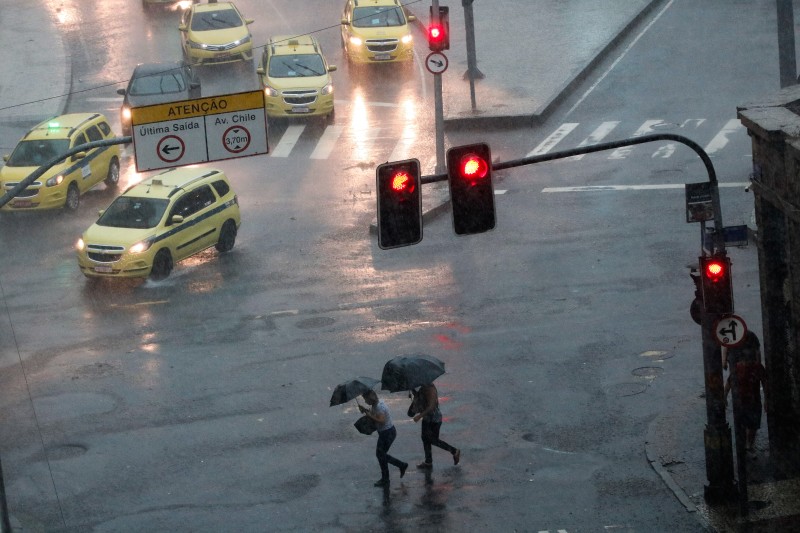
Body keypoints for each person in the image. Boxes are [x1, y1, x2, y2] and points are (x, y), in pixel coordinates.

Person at [724, 331, 768, 452]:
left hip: (750, 399)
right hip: (745, 399)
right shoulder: (742, 367)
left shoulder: (755, 367)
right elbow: (730, 382)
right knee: (747, 423)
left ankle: (748, 445)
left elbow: (764, 383)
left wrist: (766, 400)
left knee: (752, 424)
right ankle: (747, 445)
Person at [359, 390, 408, 486]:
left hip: (387, 433)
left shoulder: (379, 407)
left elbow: (381, 420)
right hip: (386, 433)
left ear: (371, 398)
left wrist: (369, 415)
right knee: (381, 455)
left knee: (380, 455)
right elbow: (376, 415)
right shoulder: (376, 405)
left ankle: (399, 467)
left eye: (366, 399)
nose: (365, 401)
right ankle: (387, 477)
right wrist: (365, 410)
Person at [408, 383, 460, 469]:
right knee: (425, 439)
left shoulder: (430, 388)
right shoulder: (424, 387)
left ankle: (454, 451)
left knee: (432, 440)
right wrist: (413, 391)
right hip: (427, 418)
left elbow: (431, 406)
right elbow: (422, 398)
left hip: (434, 419)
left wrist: (419, 416)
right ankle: (428, 462)